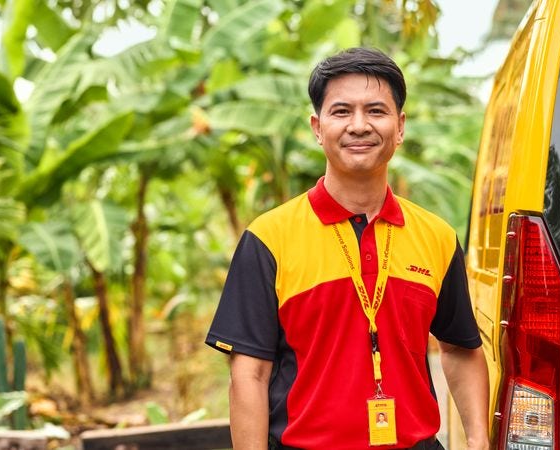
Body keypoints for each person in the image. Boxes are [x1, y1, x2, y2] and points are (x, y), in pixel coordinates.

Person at [206, 47, 489, 450]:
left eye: (376, 111)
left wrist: (478, 440)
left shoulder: (437, 236)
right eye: (341, 112)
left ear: (400, 125)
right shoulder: (268, 238)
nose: (359, 125)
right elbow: (249, 374)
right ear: (318, 127)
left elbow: (461, 348)